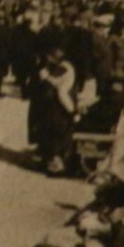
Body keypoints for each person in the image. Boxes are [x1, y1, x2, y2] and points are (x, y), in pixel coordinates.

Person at [28, 46, 79, 176]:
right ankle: (55, 163)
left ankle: (52, 161)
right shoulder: (64, 68)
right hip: (57, 110)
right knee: (57, 133)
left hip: (52, 110)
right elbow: (61, 92)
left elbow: (58, 89)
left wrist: (46, 78)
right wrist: (72, 111)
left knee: (51, 133)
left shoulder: (57, 68)